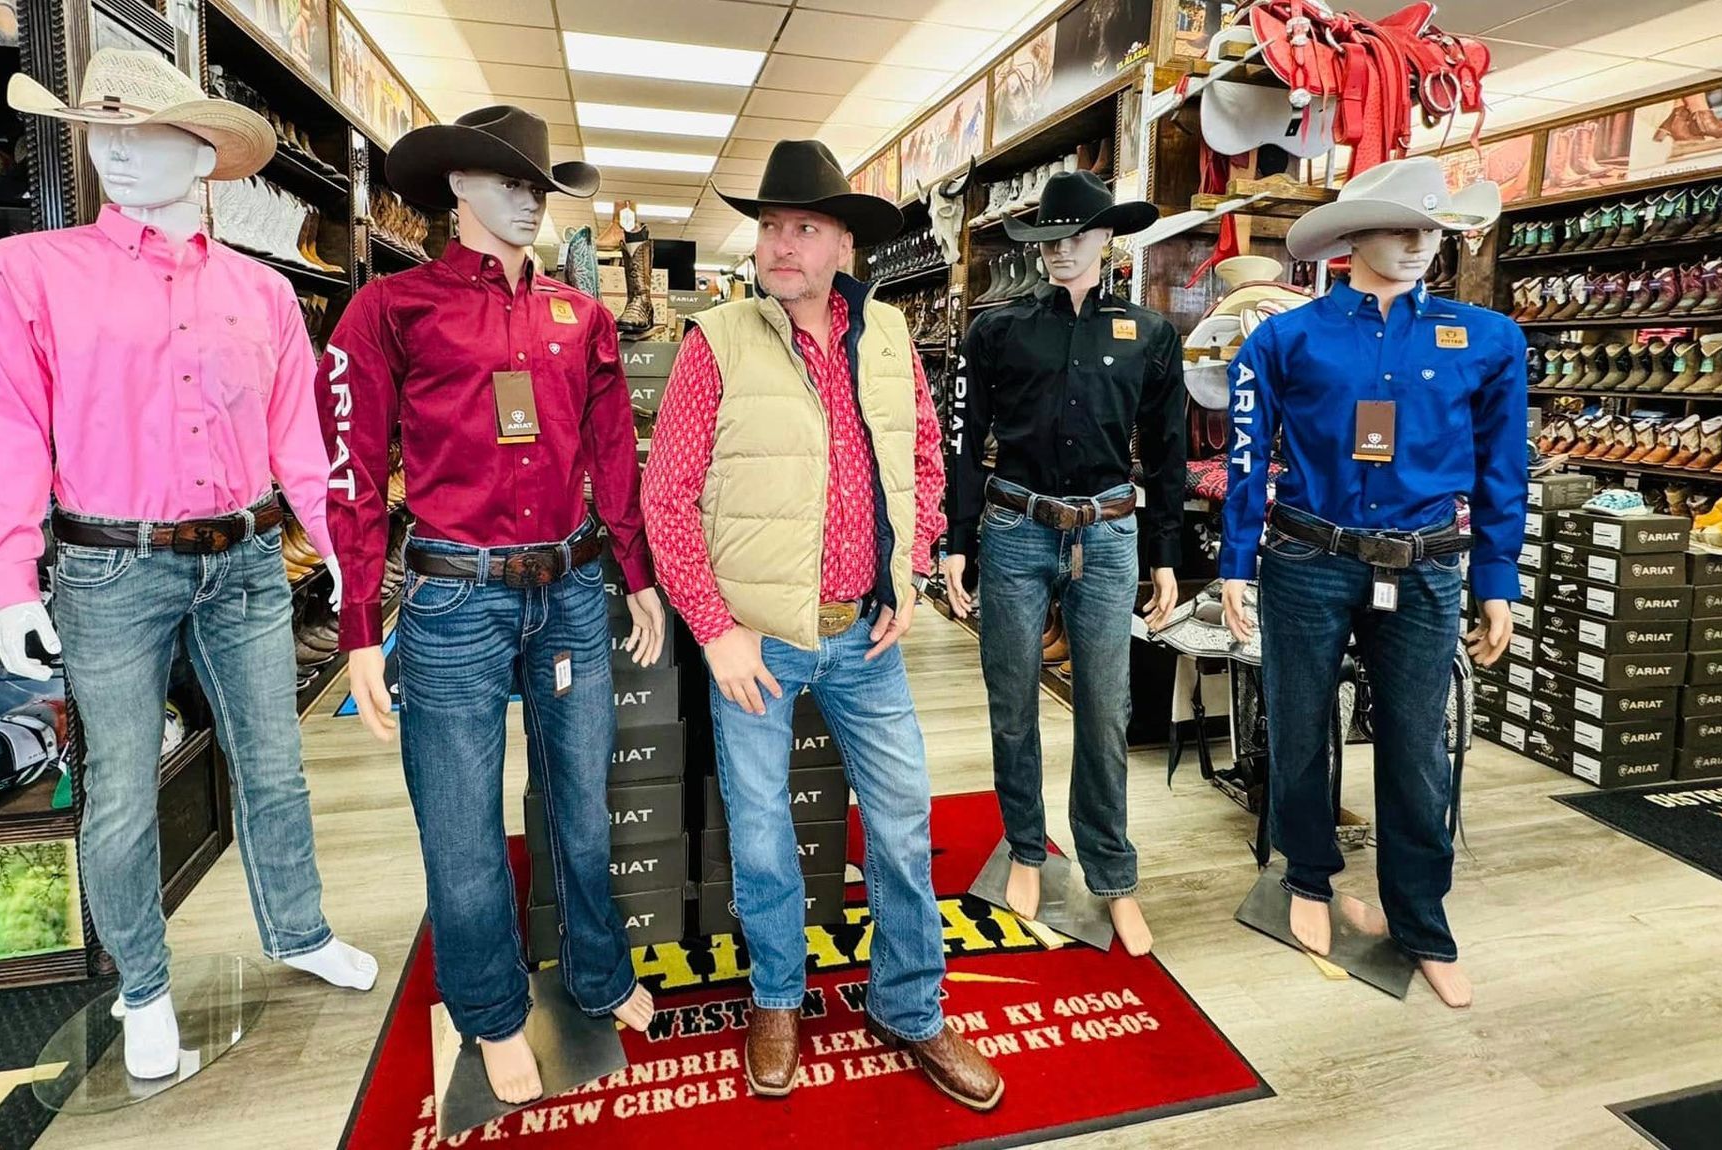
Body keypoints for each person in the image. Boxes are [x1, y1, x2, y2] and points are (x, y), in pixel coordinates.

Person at [0, 49, 375, 1081]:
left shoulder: (264, 291)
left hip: (241, 557)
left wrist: (339, 550)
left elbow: (296, 441)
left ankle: (297, 928)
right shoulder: (27, 272)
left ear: (201, 151)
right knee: (120, 789)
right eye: (101, 128)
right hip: (111, 564)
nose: (116, 149)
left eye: (143, 129)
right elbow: (6, 431)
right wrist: (9, 580)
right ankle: (142, 986)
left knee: (274, 762)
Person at [641, 139, 1002, 1111]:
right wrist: (714, 629)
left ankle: (910, 1005)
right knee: (762, 834)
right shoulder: (715, 342)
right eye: (769, 226)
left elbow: (926, 453)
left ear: (845, 242)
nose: (780, 244)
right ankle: (774, 995)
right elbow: (665, 497)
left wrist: (915, 564)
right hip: (757, 637)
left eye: (803, 226)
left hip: (868, 633)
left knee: (903, 828)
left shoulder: (887, 339)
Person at [317, 105, 666, 1104]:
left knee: (585, 811)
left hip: (567, 589)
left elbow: (610, 455)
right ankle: (492, 1008)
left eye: (537, 184)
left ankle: (599, 971)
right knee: (462, 827)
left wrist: (633, 573)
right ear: (457, 187)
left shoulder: (580, 314)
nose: (530, 198)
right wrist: (358, 627)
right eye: (509, 179)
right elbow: (351, 472)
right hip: (453, 597)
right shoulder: (389, 310)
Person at [1219, 156, 1523, 1009]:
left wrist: (1495, 579)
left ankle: (1422, 920)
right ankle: (1307, 879)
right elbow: (1248, 460)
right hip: (1308, 557)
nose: (1421, 244)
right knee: (1299, 725)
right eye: (1401, 226)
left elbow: (1505, 468)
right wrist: (1236, 560)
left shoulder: (1488, 339)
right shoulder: (1284, 338)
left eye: (1431, 229)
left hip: (1426, 565)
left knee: (1418, 744)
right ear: (1354, 235)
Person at [941, 170, 1183, 954]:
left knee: (1105, 710)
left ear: (1107, 239)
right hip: (1016, 526)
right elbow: (963, 442)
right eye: (1048, 239)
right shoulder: (998, 330)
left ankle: (1113, 874)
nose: (1060, 252)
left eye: (1076, 236)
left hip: (1109, 534)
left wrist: (1166, 553)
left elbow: (1171, 451)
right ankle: (1024, 845)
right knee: (1012, 698)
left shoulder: (1148, 333)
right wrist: (957, 538)